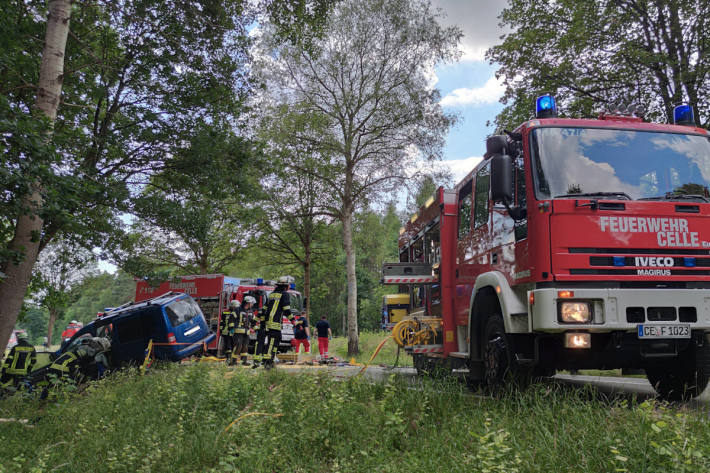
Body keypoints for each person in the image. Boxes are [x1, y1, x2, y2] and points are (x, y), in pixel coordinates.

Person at [254, 276, 294, 369]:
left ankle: (267, 360)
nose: (289, 287)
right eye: (288, 285)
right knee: (272, 341)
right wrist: (294, 321)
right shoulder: (284, 294)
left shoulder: (272, 294)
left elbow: (264, 309)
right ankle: (268, 362)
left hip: (267, 323)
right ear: (285, 286)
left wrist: (259, 322)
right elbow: (286, 310)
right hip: (274, 323)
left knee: (273, 341)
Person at [231, 296, 255, 365]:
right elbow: (231, 319)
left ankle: (244, 361)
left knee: (245, 346)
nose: (252, 304)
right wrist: (231, 328)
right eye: (251, 303)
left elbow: (253, 320)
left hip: (246, 332)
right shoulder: (238, 310)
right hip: (238, 331)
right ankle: (233, 361)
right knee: (238, 346)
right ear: (248, 303)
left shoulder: (250, 311)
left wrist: (253, 328)